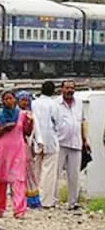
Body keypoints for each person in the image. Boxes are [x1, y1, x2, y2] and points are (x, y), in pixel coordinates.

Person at [0, 91, 33, 219]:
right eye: (6, 99)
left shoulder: (21, 115)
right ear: (3, 101)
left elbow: (26, 132)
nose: (9, 101)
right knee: (0, 180)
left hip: (17, 151)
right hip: (3, 151)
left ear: (15, 100)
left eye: (11, 98)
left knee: (19, 180)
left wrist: (31, 122)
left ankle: (19, 210)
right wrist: (4, 129)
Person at [55, 80, 90, 210]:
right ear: (62, 89)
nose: (70, 90)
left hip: (76, 143)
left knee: (74, 174)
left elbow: (82, 122)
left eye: (72, 88)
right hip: (59, 143)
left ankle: (73, 202)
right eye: (67, 88)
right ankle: (53, 200)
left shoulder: (79, 104)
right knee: (55, 173)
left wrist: (85, 140)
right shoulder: (55, 104)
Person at [31, 80, 59, 208]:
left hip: (36, 140)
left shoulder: (34, 103)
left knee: (36, 169)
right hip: (51, 140)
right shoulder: (54, 104)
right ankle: (46, 200)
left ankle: (33, 197)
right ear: (53, 91)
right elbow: (57, 122)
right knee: (49, 171)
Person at [16, 91, 41, 209]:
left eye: (27, 100)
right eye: (23, 100)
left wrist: (30, 122)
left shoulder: (29, 114)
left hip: (25, 145)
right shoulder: (14, 113)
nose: (25, 102)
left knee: (29, 170)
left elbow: (28, 132)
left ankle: (30, 197)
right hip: (13, 146)